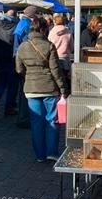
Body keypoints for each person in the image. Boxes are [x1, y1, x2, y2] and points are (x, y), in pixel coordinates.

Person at [16, 17, 68, 163]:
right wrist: (63, 89)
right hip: (49, 88)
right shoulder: (49, 46)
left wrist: (30, 76)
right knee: (52, 121)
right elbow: (56, 70)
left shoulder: (22, 46)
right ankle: (51, 152)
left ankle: (40, 155)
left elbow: (19, 69)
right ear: (44, 29)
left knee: (36, 122)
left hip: (31, 89)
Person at [0, 9, 18, 118]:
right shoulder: (15, 27)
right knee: (12, 85)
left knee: (1, 84)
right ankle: (8, 109)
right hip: (11, 59)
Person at [13, 6, 39, 128]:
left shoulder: (21, 23)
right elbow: (23, 45)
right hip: (25, 61)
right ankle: (24, 119)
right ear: (33, 16)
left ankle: (23, 117)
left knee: (23, 91)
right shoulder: (26, 25)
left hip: (20, 60)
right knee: (25, 91)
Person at [48, 12, 74, 77]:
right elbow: (72, 47)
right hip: (65, 59)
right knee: (65, 78)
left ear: (55, 22)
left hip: (54, 58)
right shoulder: (68, 32)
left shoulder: (51, 32)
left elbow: (49, 45)